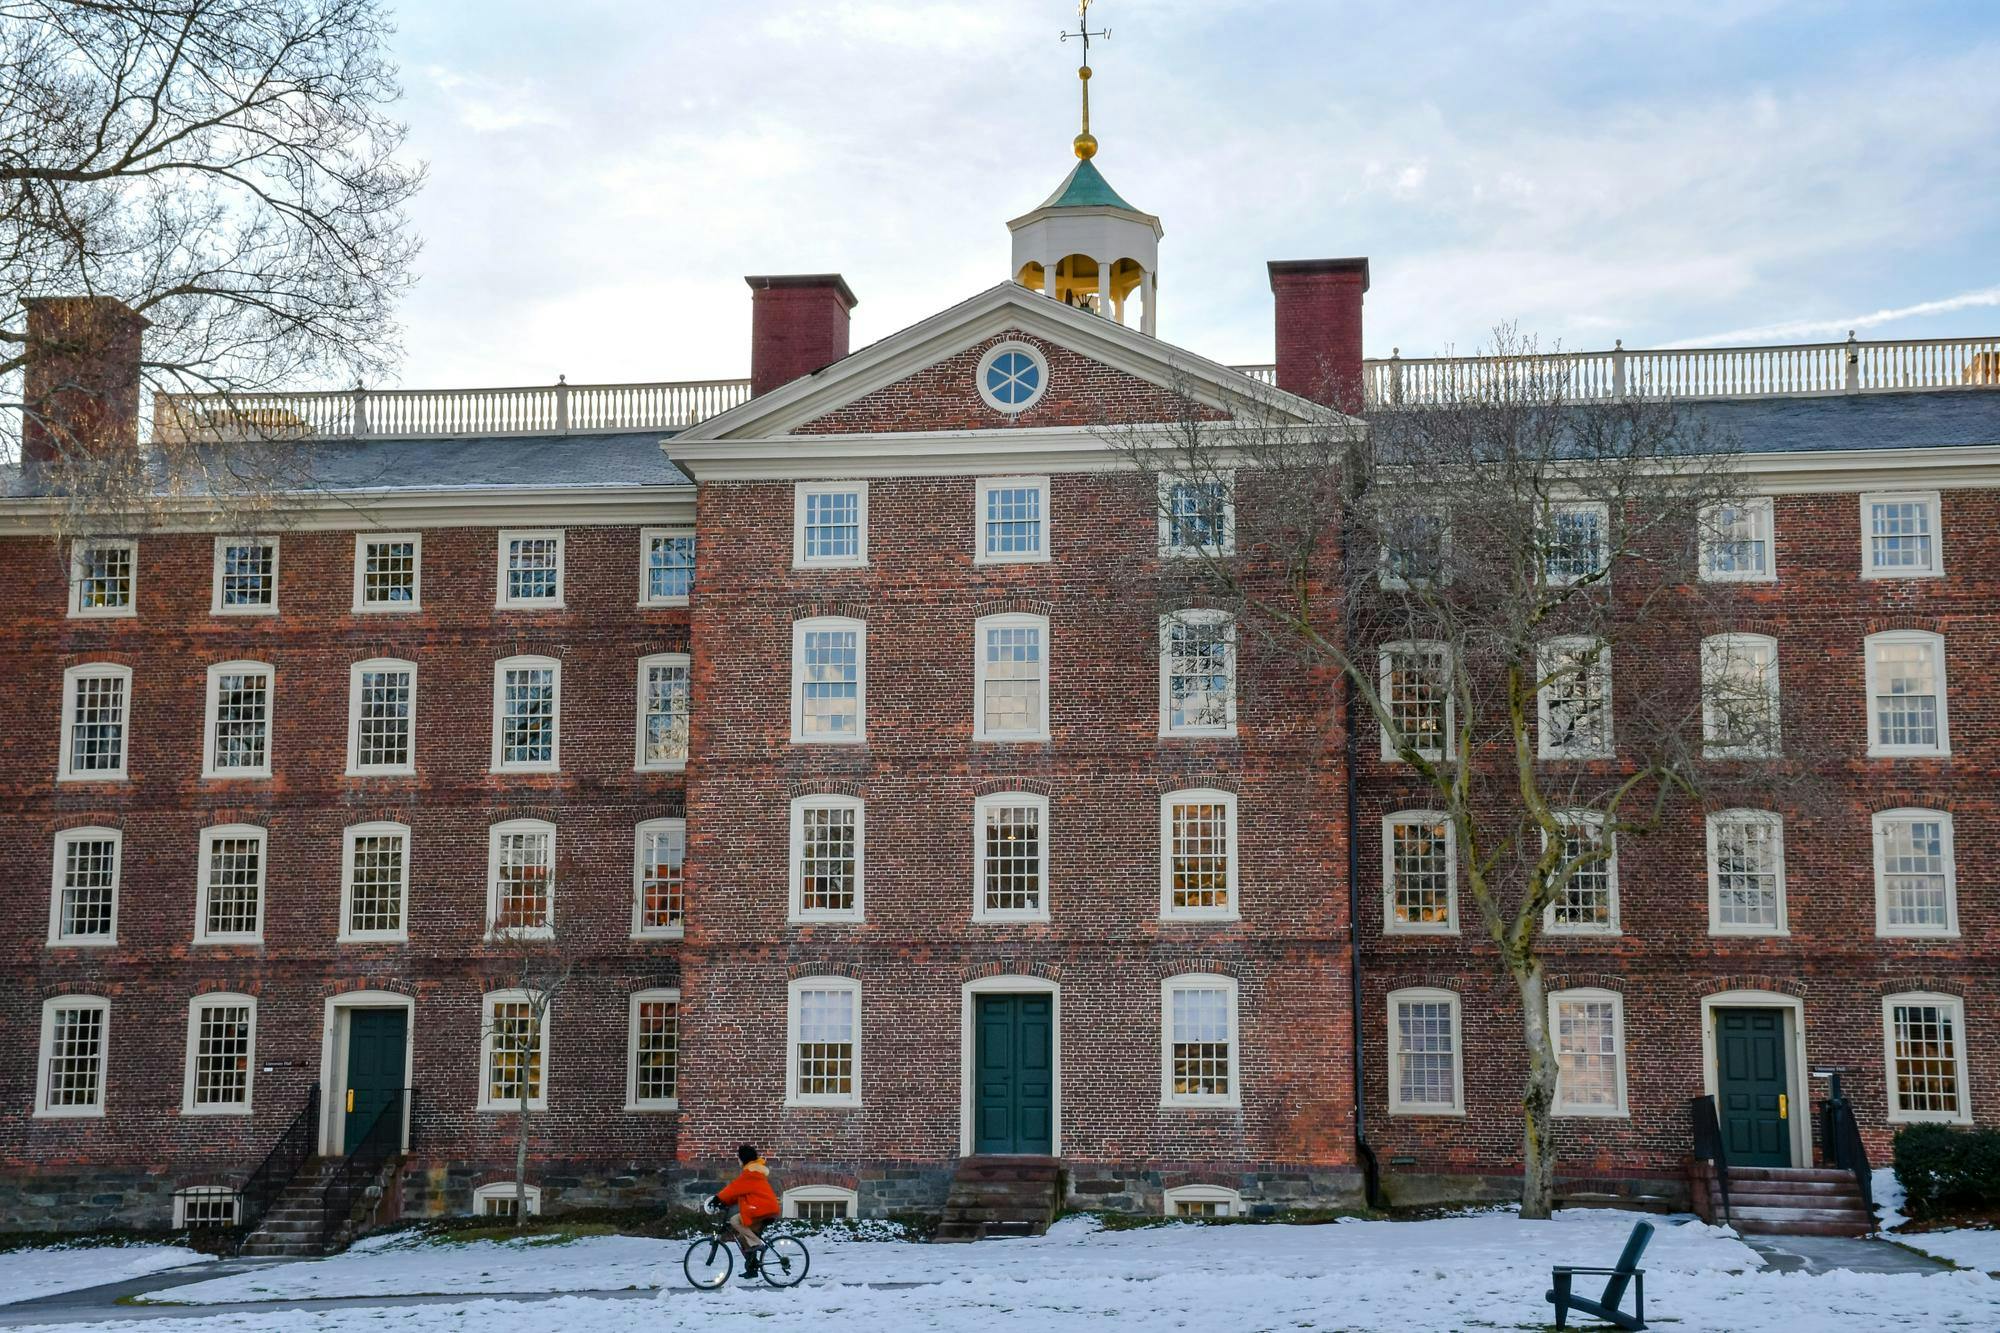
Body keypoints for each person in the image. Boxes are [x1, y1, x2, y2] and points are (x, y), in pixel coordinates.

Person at [709, 1144, 780, 1278]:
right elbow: (739, 1193)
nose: (738, 1160)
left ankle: (757, 1243)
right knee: (743, 1237)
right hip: (763, 1208)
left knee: (734, 1221)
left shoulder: (751, 1173)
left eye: (739, 1157)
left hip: (763, 1209)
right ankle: (752, 1268)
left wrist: (718, 1198)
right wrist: (724, 1202)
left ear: (743, 1158)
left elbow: (734, 1188)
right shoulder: (754, 1172)